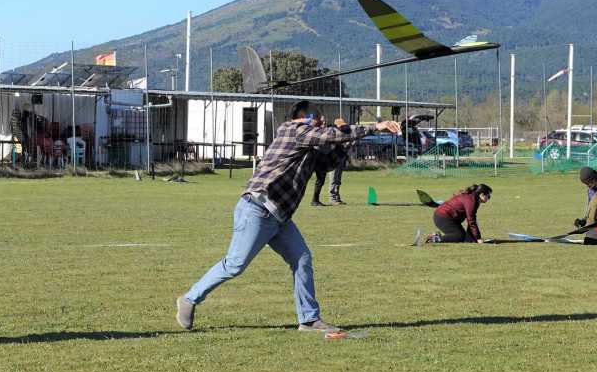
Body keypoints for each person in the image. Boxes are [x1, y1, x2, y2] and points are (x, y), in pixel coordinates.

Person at [176, 101, 401, 332]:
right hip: (258, 208)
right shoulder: (293, 130)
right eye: (319, 118)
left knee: (302, 259)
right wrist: (373, 127)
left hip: (280, 216)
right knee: (235, 264)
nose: (323, 122)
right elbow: (327, 136)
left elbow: (326, 164)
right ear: (305, 118)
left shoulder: (309, 143)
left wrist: (346, 140)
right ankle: (189, 299)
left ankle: (309, 319)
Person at [426, 184, 492, 243]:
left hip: (449, 218)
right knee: (459, 236)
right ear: (482, 194)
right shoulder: (471, 201)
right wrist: (478, 238)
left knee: (462, 236)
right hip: (442, 217)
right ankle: (434, 239)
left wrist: (473, 238)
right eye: (488, 196)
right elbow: (471, 221)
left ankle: (436, 236)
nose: (488, 199)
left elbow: (472, 219)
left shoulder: (474, 199)